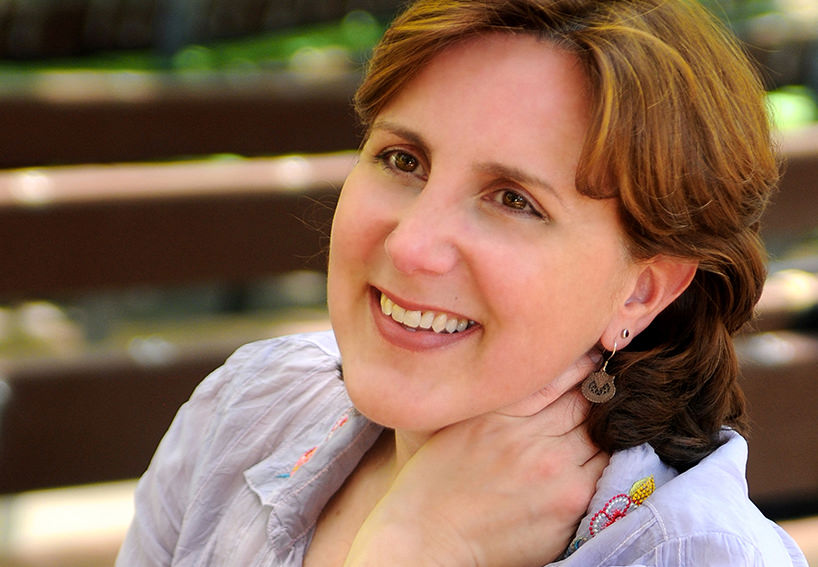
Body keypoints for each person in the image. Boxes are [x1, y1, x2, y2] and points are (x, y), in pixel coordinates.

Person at [117, 0, 809, 565]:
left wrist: (418, 548)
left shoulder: (695, 556)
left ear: (642, 292)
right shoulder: (246, 408)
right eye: (402, 159)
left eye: (513, 200)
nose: (411, 245)